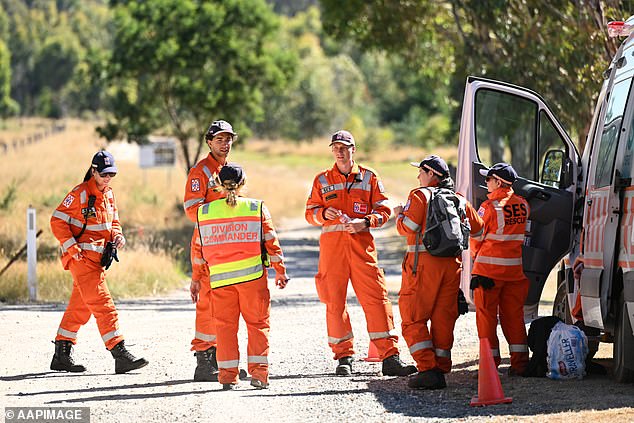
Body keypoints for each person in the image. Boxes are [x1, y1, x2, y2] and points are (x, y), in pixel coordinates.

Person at [304, 129, 416, 377]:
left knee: (376, 299)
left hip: (362, 250)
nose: (340, 152)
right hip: (332, 253)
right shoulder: (321, 180)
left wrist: (365, 222)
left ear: (354, 149)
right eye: (335, 148)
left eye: (344, 147)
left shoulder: (369, 177)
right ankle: (344, 357)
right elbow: (309, 212)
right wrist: (323, 214)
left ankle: (390, 357)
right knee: (334, 302)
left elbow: (384, 209)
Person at [191, 163, 289, 390]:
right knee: (257, 326)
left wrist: (196, 279)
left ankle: (227, 377)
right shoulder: (256, 208)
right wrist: (280, 271)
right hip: (252, 280)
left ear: (217, 185)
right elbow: (271, 242)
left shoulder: (204, 212)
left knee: (225, 328)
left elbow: (198, 252)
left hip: (220, 282)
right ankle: (259, 375)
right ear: (243, 183)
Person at [49, 151, 148, 374]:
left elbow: (114, 222)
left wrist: (117, 235)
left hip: (97, 262)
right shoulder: (79, 194)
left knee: (80, 307)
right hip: (81, 260)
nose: (107, 178)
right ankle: (119, 352)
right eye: (104, 173)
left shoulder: (109, 195)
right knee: (104, 305)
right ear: (93, 171)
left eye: (111, 174)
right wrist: (71, 247)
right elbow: (57, 221)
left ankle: (61, 355)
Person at [394, 155, 484, 389]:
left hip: (423, 267)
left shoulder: (420, 195)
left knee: (413, 317)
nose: (418, 176)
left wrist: (399, 215)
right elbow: (478, 228)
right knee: (444, 317)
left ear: (432, 174)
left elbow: (408, 228)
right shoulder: (459, 199)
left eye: (421, 172)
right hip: (452, 266)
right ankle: (442, 365)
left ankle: (428, 369)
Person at [184, 119, 236, 381]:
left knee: (225, 302)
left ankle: (220, 358)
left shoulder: (232, 170)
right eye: (220, 139)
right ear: (209, 142)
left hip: (229, 246)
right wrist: (218, 209)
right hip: (206, 244)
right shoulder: (201, 172)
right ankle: (203, 361)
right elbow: (192, 210)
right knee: (206, 303)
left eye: (228, 139)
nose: (225, 144)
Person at [470, 162, 530, 376]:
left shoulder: (488, 207)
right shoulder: (523, 204)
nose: (485, 183)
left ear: (498, 182)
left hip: (488, 272)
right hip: (514, 272)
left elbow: (476, 238)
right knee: (514, 317)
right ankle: (520, 364)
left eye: (488, 179)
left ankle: (489, 365)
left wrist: (475, 258)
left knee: (486, 318)